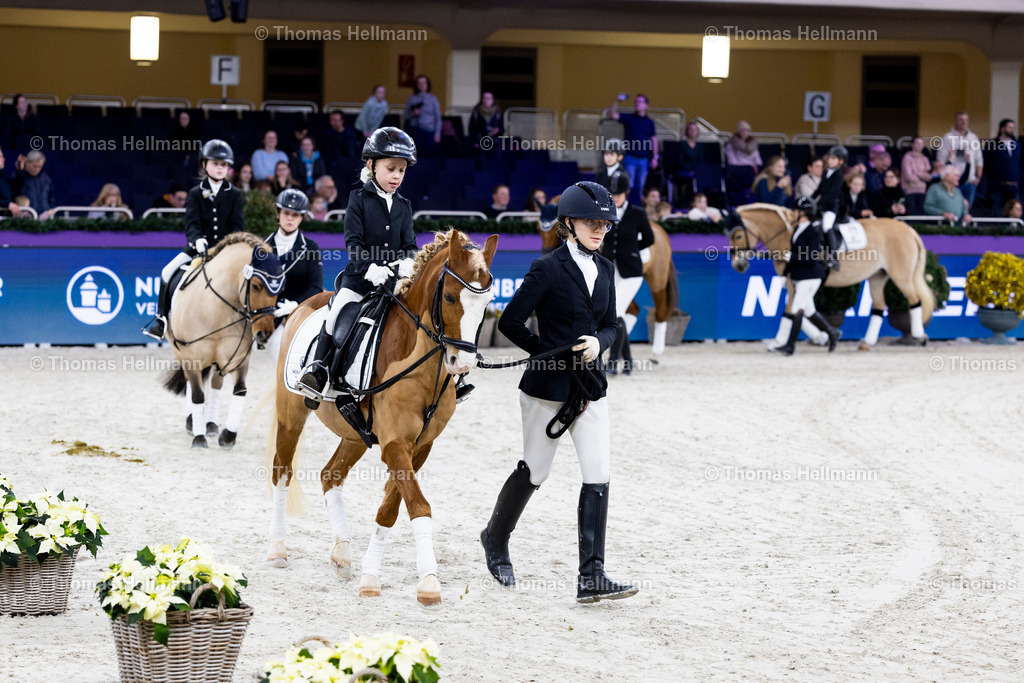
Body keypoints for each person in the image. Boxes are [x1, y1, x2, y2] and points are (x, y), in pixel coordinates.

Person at [480, 180, 638, 604]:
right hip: (545, 391)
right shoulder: (546, 268)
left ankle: (592, 576)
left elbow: (611, 324)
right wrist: (547, 354)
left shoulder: (606, 270)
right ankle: (495, 539)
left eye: (605, 223)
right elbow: (511, 322)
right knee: (536, 471)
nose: (600, 229)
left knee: (599, 474)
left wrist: (599, 344)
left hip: (589, 389)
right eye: (591, 222)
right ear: (568, 224)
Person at [296, 127, 418, 413]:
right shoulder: (358, 199)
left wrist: (409, 261)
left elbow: (410, 244)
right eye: (391, 169)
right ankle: (319, 369)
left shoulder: (404, 205)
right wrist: (369, 268)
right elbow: (353, 242)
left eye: (401, 170)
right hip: (361, 279)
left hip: (394, 282)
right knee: (336, 311)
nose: (397, 176)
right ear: (372, 165)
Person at [142, 140, 245, 340]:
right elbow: (191, 223)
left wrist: (228, 247)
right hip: (198, 248)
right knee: (166, 272)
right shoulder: (195, 193)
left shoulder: (234, 195)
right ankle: (161, 319)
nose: (220, 168)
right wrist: (197, 239)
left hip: (225, 252)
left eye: (224, 164)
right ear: (204, 165)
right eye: (216, 163)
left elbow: (237, 227)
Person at [770, 196, 841, 355]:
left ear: (803, 213)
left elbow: (812, 257)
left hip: (811, 277)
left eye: (796, 210)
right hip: (799, 276)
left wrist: (790, 257)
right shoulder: (797, 230)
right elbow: (793, 253)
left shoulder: (813, 233)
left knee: (796, 309)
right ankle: (832, 333)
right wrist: (785, 274)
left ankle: (790, 346)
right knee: (809, 311)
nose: (793, 213)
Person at [602, 172, 655, 375]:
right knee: (617, 313)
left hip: (631, 271)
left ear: (627, 193)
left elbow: (649, 238)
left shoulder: (637, 213)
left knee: (615, 312)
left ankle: (614, 361)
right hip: (610, 268)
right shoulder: (605, 210)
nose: (615, 198)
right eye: (612, 194)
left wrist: (632, 249)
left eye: (619, 194)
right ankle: (629, 360)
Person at [264, 188, 324, 359]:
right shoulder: (263, 246)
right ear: (278, 213)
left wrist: (296, 305)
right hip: (268, 316)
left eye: (296, 215)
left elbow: (316, 287)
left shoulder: (311, 248)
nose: (290, 218)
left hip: (299, 313)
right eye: (286, 213)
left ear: (301, 217)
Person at [606, 94, 658, 203]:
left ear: (646, 105)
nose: (637, 104)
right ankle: (628, 205)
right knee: (630, 184)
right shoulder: (629, 118)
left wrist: (655, 157)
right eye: (636, 102)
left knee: (641, 185)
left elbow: (654, 139)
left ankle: (638, 206)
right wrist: (618, 101)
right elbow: (611, 114)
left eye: (640, 102)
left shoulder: (649, 122)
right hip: (630, 157)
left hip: (644, 158)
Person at [936, 111, 983, 210]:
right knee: (952, 209)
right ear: (955, 121)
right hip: (952, 182)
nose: (963, 122)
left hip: (970, 181)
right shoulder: (947, 137)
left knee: (967, 209)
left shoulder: (973, 138)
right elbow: (940, 160)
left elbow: (979, 159)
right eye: (961, 120)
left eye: (966, 120)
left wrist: (978, 177)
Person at [812, 146, 848, 270]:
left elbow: (832, 193)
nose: (830, 161)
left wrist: (818, 204)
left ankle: (833, 257)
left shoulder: (839, 175)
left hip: (831, 207)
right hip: (821, 205)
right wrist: (810, 200)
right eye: (829, 158)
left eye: (833, 159)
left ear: (840, 161)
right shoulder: (826, 172)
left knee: (827, 226)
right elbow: (819, 190)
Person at [984, 118, 1020, 213]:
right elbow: (987, 163)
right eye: (1009, 127)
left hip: (1013, 184)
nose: (1012, 129)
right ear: (1002, 128)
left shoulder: (1017, 144)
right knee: (995, 211)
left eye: (1013, 127)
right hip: (997, 185)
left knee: (1013, 211)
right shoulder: (992, 144)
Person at [404, 75, 442, 154]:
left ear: (427, 85)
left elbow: (438, 117)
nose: (422, 85)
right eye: (420, 83)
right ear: (417, 85)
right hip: (416, 131)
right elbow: (405, 115)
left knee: (430, 155)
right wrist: (413, 113)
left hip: (430, 131)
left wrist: (438, 133)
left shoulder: (433, 99)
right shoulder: (412, 99)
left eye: (424, 83)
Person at [13, 150, 55, 219]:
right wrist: (20, 171)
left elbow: (51, 199)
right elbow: (14, 193)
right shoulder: (18, 177)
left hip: (45, 217)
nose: (37, 169)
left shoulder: (46, 179)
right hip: (26, 219)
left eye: (40, 167)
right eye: (35, 166)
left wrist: (50, 210)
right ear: (27, 163)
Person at [900, 136, 932, 215]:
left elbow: (929, 177)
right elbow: (909, 177)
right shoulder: (907, 158)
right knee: (912, 214)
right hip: (910, 191)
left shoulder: (924, 159)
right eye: (917, 143)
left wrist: (916, 173)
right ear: (912, 144)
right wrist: (922, 176)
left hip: (922, 191)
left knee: (921, 214)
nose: (919, 146)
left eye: (921, 144)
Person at [0, 145, 22, 217]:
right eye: (0, 157)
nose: (4, 159)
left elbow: (15, 188)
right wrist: (7, 204)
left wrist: (19, 170)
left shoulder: (3, 176)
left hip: (6, 219)